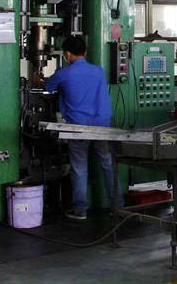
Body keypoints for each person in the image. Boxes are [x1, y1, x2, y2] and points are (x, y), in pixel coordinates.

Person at [39, 36, 122, 220]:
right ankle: (118, 207)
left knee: (79, 167)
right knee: (108, 165)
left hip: (78, 128)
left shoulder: (64, 73)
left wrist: (38, 79)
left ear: (67, 54)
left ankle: (80, 210)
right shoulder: (99, 71)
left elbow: (47, 87)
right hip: (102, 126)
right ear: (84, 52)